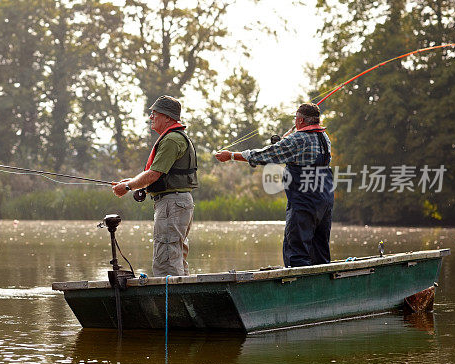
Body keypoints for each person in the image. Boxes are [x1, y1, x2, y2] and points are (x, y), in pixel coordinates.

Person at [215, 103, 334, 267]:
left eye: (296, 119)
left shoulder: (297, 139)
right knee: (320, 250)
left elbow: (266, 155)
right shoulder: (324, 138)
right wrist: (284, 144)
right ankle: (323, 286)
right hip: (325, 200)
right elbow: (300, 155)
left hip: (304, 202)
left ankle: (297, 287)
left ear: (299, 120)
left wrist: (232, 156)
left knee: (297, 251)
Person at [112, 95, 198, 277]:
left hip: (171, 204)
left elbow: (153, 174)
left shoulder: (171, 140)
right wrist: (129, 182)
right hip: (177, 203)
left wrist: (128, 187)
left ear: (167, 117)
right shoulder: (176, 137)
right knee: (175, 255)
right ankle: (179, 300)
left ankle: (169, 302)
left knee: (166, 259)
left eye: (155, 113)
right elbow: (156, 175)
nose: (151, 117)